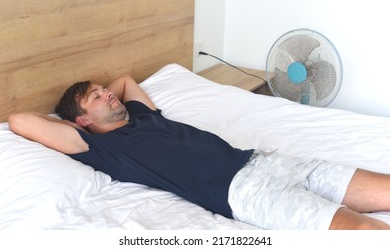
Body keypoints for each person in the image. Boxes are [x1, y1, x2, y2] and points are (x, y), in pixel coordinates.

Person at [8, 74, 390, 230]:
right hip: (245, 192)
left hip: (269, 160)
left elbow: (125, 79)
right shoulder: (101, 147)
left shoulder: (141, 115)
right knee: (358, 229)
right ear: (82, 121)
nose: (109, 92)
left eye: (102, 89)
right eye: (96, 96)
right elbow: (20, 120)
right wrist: (72, 124)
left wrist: (102, 97)